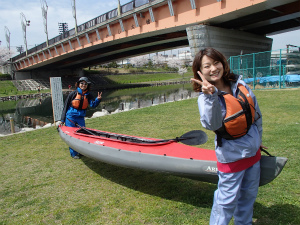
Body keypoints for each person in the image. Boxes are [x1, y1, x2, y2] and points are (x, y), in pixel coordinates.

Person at [190, 48, 264, 225]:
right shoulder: (205, 97)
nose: (213, 69)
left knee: (248, 196)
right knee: (225, 202)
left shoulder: (239, 85)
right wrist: (211, 97)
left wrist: (258, 141)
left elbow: (256, 116)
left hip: (253, 154)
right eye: (207, 66)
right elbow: (212, 124)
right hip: (231, 157)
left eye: (216, 63)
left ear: (223, 63)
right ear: (200, 72)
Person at [60, 77, 102, 159]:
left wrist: (98, 99)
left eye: (85, 84)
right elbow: (65, 106)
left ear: (87, 85)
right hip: (70, 117)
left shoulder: (88, 95)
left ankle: (81, 151)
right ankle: (73, 153)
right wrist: (62, 119)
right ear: (78, 84)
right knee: (72, 135)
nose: (83, 85)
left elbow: (93, 105)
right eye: (82, 83)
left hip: (80, 117)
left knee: (82, 134)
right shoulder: (72, 94)